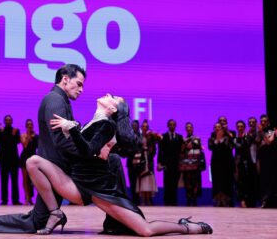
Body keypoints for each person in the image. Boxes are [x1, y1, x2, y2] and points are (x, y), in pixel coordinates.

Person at [0, 64, 129, 235]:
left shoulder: (59, 100)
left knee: (36, 221)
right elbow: (61, 142)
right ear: (65, 79)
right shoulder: (56, 101)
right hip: (55, 169)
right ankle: (121, 221)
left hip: (54, 168)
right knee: (36, 221)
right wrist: (86, 154)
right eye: (78, 84)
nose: (81, 89)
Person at [26, 94, 212, 236]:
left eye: (112, 97)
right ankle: (55, 213)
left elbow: (88, 149)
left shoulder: (107, 126)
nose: (108, 94)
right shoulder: (94, 122)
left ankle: (188, 227)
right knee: (33, 161)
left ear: (113, 108)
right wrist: (72, 129)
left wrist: (72, 128)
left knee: (145, 230)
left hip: (97, 189)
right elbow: (82, 151)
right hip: (78, 183)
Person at [0, 115, 21, 205]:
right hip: (3, 159)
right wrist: (2, 133)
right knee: (4, 180)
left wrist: (13, 135)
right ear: (4, 121)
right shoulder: (0, 131)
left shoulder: (15, 131)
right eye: (7, 120)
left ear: (12, 121)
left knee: (14, 180)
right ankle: (4, 200)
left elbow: (17, 141)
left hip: (14, 159)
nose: (8, 121)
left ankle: (15, 200)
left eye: (10, 120)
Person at [158, 119, 183, 206]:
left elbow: (181, 151)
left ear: (175, 126)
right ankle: (167, 201)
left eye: (173, 124)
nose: (172, 126)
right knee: (167, 182)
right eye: (170, 124)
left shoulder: (179, 137)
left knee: (175, 183)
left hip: (176, 164)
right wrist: (159, 163)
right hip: (166, 164)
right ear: (168, 126)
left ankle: (174, 201)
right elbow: (160, 151)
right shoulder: (163, 137)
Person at [208, 122, 234, 207]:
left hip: (225, 162)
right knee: (216, 181)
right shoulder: (211, 139)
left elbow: (227, 147)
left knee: (225, 181)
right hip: (215, 162)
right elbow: (211, 147)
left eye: (219, 127)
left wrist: (221, 139)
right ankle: (218, 200)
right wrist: (217, 139)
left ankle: (224, 200)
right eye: (215, 127)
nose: (217, 128)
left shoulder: (226, 138)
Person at [233, 120, 257, 208]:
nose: (240, 128)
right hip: (238, 162)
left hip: (248, 161)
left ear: (244, 128)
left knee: (249, 181)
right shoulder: (235, 138)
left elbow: (249, 145)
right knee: (239, 182)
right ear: (236, 128)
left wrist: (246, 137)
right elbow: (239, 146)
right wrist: (243, 138)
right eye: (238, 127)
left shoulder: (248, 137)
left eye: (241, 127)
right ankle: (242, 200)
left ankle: (250, 200)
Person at [135, 119, 159, 206]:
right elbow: (135, 147)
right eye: (143, 126)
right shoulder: (138, 137)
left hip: (149, 160)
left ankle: (149, 200)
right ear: (141, 128)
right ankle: (143, 200)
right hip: (141, 161)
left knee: (149, 179)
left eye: (146, 127)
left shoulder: (151, 137)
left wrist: (150, 151)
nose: (145, 128)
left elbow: (154, 149)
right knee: (142, 179)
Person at [256, 115, 277, 208]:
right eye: (261, 121)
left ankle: (271, 200)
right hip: (262, 159)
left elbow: (269, 142)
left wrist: (262, 133)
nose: (263, 123)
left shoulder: (272, 132)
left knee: (271, 180)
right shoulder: (258, 133)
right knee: (263, 180)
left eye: (265, 121)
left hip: (271, 159)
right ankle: (264, 200)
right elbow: (256, 142)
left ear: (268, 122)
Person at [179, 122, 203, 206]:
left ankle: (194, 198)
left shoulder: (197, 138)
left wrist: (194, 144)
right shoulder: (183, 139)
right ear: (186, 129)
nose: (189, 129)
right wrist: (185, 146)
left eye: (190, 127)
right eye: (187, 127)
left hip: (195, 163)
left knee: (195, 182)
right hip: (186, 163)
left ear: (192, 129)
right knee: (187, 182)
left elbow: (200, 148)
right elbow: (181, 151)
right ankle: (189, 198)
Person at [20, 119, 38, 205]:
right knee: (25, 178)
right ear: (26, 126)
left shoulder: (36, 136)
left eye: (31, 125)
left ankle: (31, 197)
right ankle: (27, 197)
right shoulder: (23, 135)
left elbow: (38, 147)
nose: (29, 126)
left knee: (33, 179)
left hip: (33, 157)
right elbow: (25, 145)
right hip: (24, 157)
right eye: (28, 125)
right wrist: (28, 135)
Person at [125, 120, 141, 205]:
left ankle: (140, 200)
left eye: (136, 125)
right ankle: (134, 200)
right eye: (133, 125)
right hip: (131, 162)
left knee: (140, 182)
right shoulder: (128, 137)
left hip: (140, 162)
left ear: (138, 126)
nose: (134, 126)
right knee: (132, 182)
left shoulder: (141, 136)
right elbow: (126, 149)